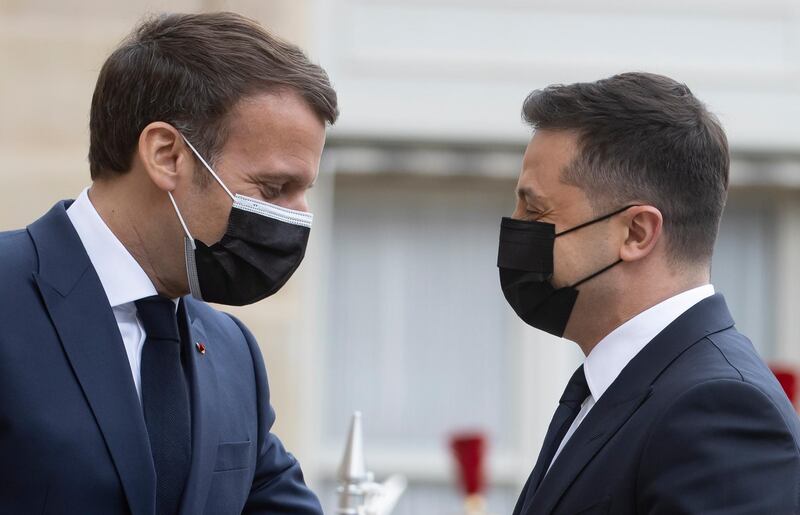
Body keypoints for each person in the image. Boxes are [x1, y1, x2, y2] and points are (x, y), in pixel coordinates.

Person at [0, 12, 337, 515]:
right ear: (166, 155)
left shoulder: (232, 352)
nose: (298, 218)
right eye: (273, 189)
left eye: (303, 191)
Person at [498, 72, 800, 514]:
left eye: (536, 209)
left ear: (637, 232)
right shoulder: (614, 384)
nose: (516, 225)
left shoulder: (718, 410)